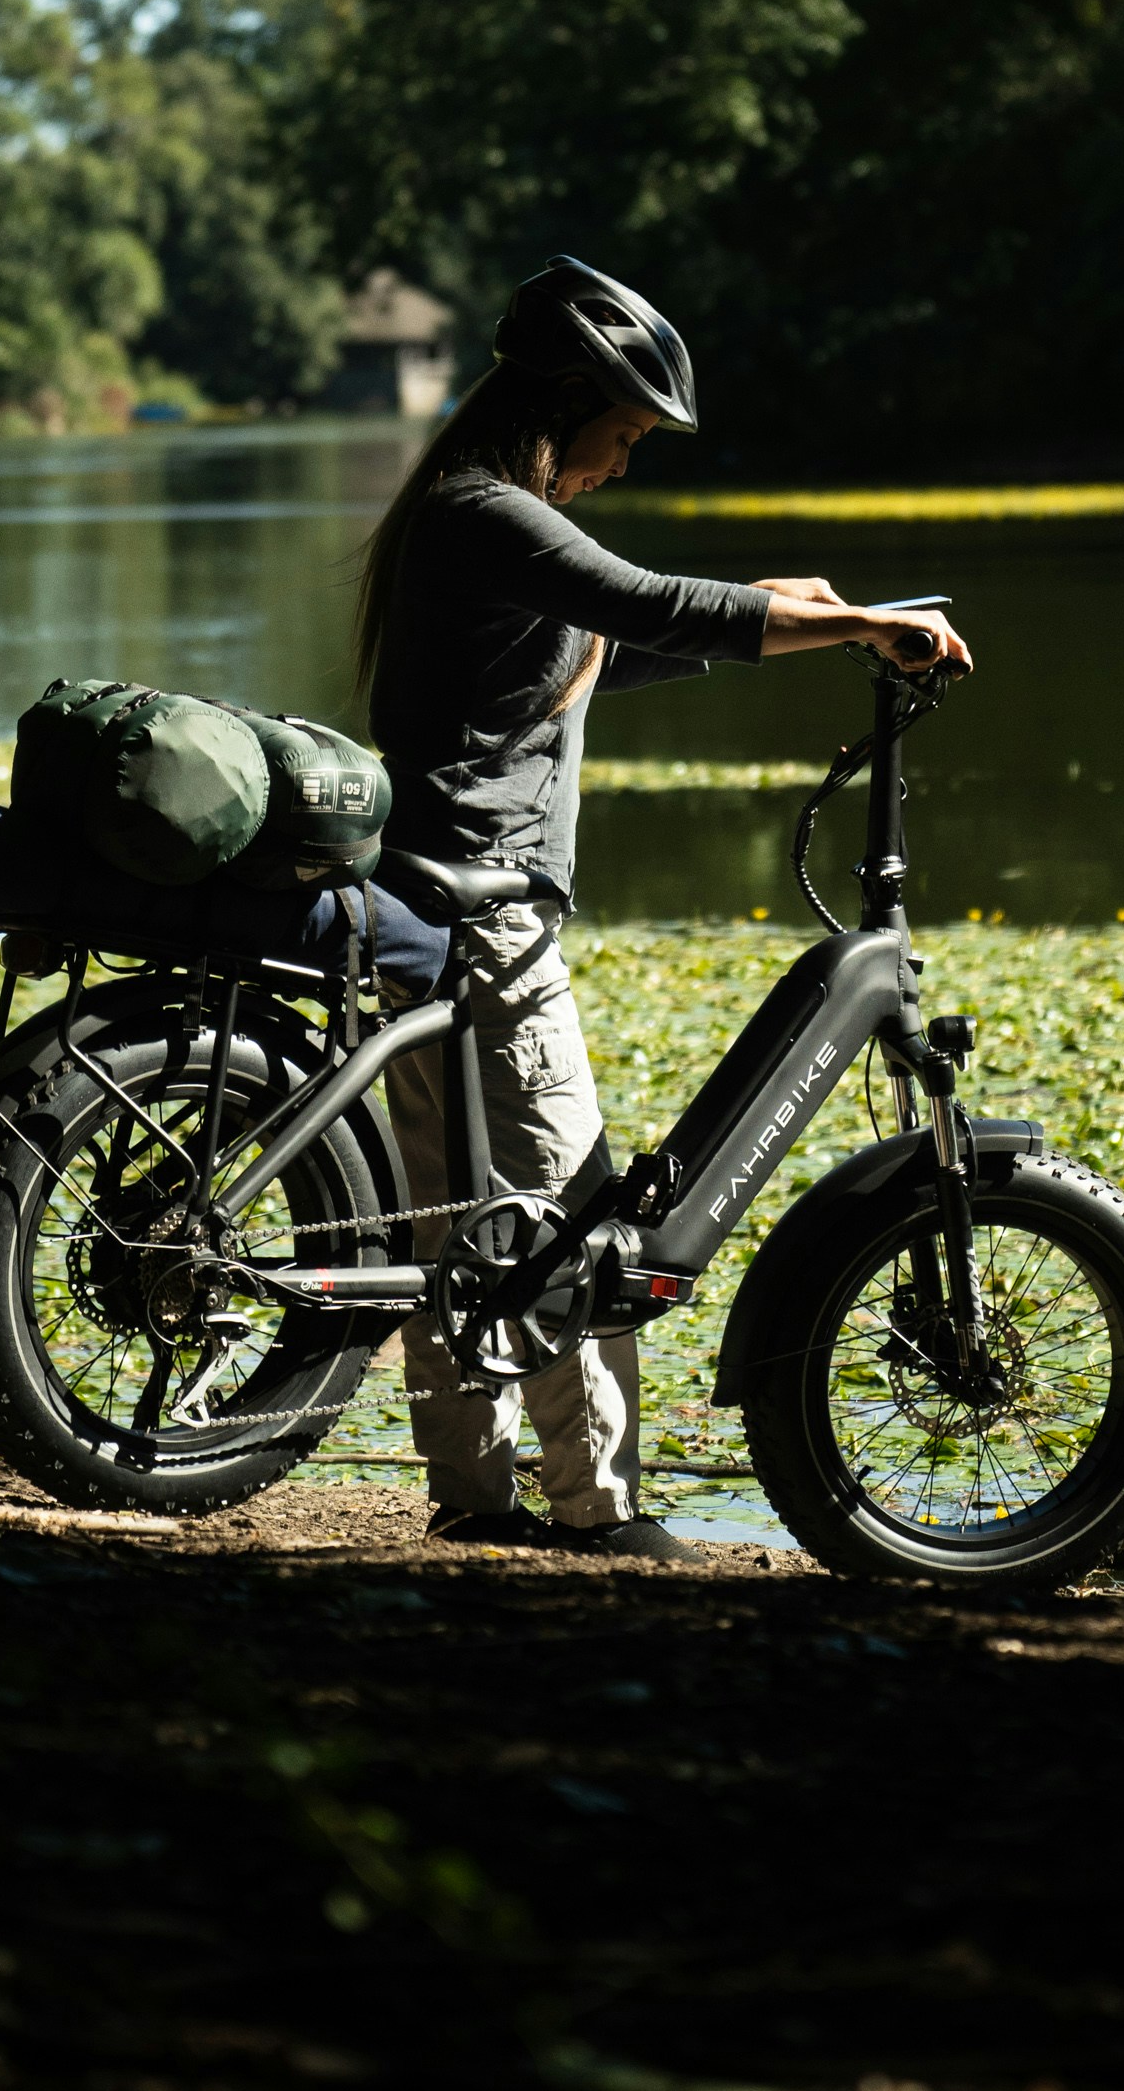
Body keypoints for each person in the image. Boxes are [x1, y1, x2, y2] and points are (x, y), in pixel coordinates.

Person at [354, 255, 973, 1560]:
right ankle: (597, 1516)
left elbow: (599, 646)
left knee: (460, 1231)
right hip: (484, 924)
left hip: (419, 907)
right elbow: (637, 600)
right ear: (568, 401)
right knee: (565, 1216)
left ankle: (475, 1502)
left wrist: (804, 611)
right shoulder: (489, 512)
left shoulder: (468, 516)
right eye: (623, 435)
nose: (623, 464)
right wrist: (855, 622)